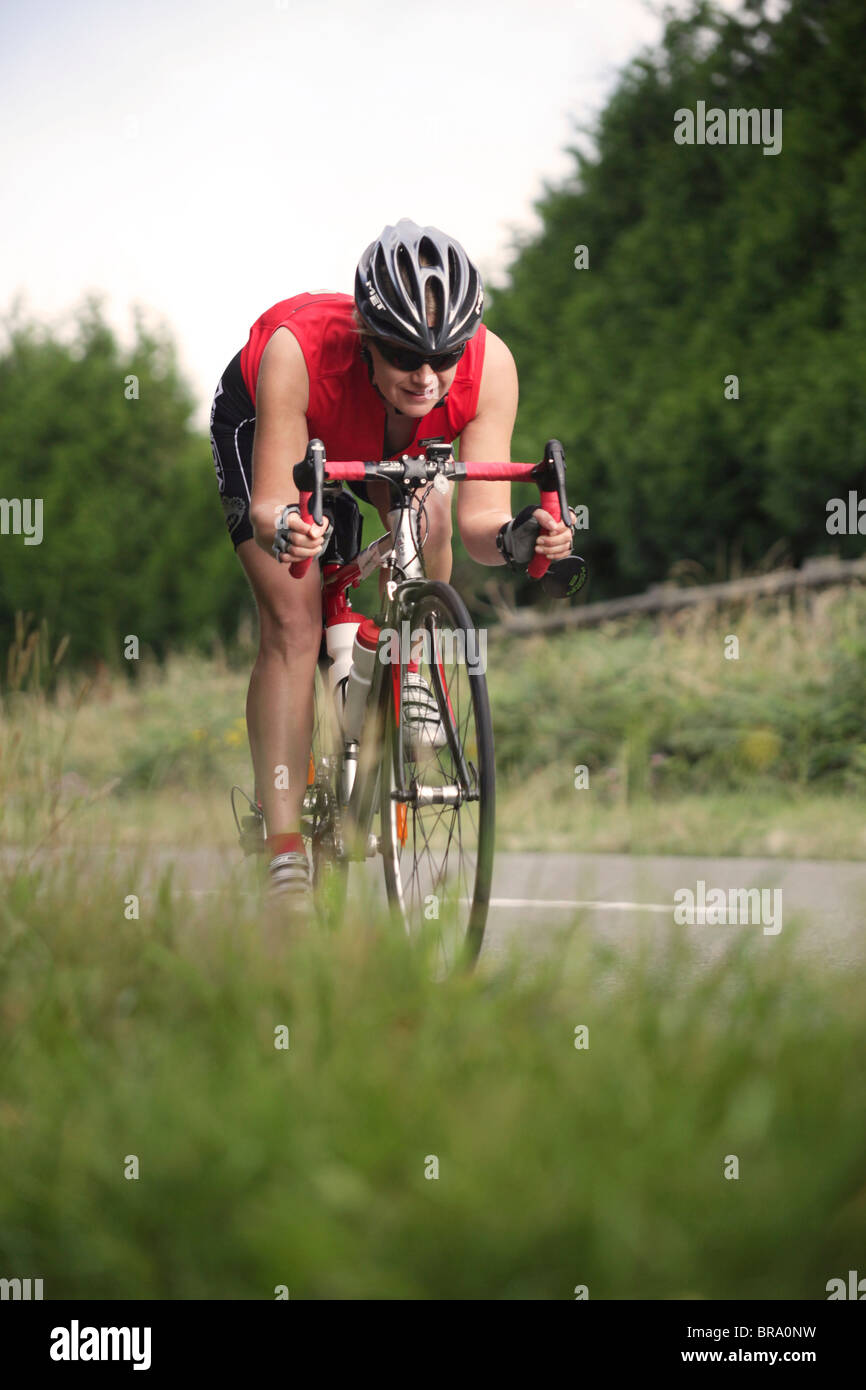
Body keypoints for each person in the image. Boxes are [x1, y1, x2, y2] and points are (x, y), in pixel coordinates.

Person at [209, 218, 574, 900]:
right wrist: (288, 527)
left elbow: (477, 523)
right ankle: (283, 847)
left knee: (431, 504)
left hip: (384, 442)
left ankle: (415, 669)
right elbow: (268, 508)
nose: (428, 377)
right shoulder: (299, 351)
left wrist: (522, 534)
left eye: (446, 357)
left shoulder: (490, 368)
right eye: (406, 355)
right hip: (278, 421)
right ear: (368, 341)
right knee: (293, 623)